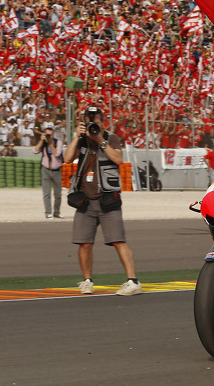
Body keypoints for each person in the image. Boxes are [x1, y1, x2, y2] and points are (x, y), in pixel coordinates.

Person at [63, 106, 141, 296]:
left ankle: (133, 281)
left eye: (96, 120)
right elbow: (67, 159)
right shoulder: (81, 140)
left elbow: (118, 160)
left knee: (118, 240)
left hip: (108, 197)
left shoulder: (111, 138)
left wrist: (99, 139)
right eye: (90, 120)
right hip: (85, 199)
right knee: (84, 243)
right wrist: (76, 137)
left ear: (102, 121)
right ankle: (87, 281)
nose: (93, 123)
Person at [34, 127, 63, 219]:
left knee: (58, 194)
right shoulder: (43, 144)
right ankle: (48, 212)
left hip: (56, 170)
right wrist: (41, 141)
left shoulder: (58, 142)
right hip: (45, 169)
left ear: (53, 134)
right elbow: (34, 151)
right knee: (46, 193)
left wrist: (50, 143)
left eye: (50, 135)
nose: (48, 136)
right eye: (47, 134)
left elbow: (57, 153)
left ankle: (57, 212)